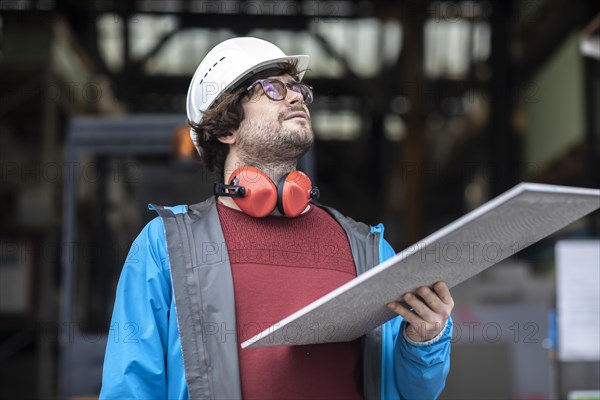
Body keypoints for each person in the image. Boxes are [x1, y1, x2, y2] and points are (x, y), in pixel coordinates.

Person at [100, 37, 454, 400]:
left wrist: (425, 339)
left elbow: (414, 390)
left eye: (298, 88)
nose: (297, 96)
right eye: (272, 88)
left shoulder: (368, 249)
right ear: (226, 128)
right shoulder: (165, 247)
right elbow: (131, 388)